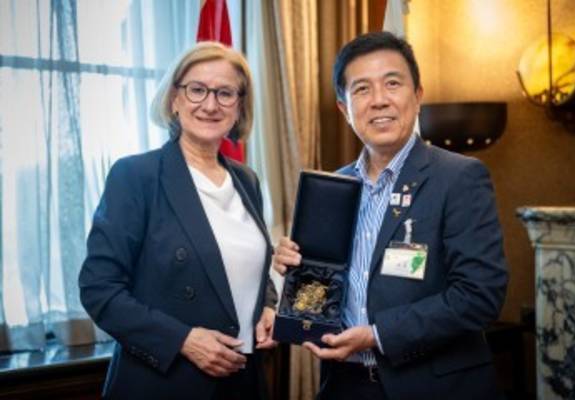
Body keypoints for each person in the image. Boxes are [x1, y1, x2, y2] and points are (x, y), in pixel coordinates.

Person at [274, 31, 508, 399]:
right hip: (343, 383)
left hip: (433, 387)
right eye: (362, 89)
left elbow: (480, 296)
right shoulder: (331, 188)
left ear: (418, 96)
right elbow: (318, 291)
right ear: (344, 108)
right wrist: (295, 271)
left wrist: (377, 335)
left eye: (393, 84)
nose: (379, 100)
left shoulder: (459, 177)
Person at [79, 41, 277, 400]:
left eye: (225, 93)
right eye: (197, 90)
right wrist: (183, 340)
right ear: (174, 99)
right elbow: (99, 290)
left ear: (239, 106)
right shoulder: (135, 175)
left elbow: (249, 266)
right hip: (166, 381)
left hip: (242, 380)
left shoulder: (247, 180)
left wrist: (268, 305)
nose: (210, 105)